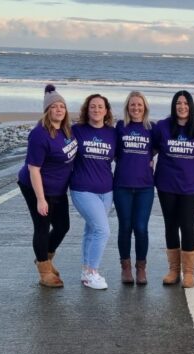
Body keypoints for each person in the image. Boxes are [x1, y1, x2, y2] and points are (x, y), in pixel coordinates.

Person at [17, 84, 77, 288]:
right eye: (54, 106)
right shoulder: (39, 134)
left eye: (62, 106)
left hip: (58, 188)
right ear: (47, 110)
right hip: (36, 186)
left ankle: (46, 258)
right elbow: (34, 169)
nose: (59, 110)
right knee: (42, 227)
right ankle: (44, 271)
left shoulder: (68, 130)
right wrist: (41, 200)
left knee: (63, 226)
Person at [153, 90, 194, 288]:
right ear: (174, 105)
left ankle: (188, 272)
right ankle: (174, 270)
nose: (182, 106)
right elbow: (150, 150)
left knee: (187, 225)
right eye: (178, 103)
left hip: (190, 185)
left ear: (191, 106)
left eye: (185, 103)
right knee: (170, 225)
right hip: (166, 184)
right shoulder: (162, 127)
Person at [70, 94, 117, 290]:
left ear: (106, 111)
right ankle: (92, 272)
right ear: (86, 110)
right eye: (93, 107)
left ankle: (85, 270)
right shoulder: (76, 131)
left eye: (100, 107)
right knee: (102, 230)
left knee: (91, 230)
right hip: (82, 189)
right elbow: (55, 143)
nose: (96, 110)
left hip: (106, 191)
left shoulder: (113, 133)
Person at [113, 91, 155, 285]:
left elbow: (157, 148)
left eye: (139, 105)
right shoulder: (120, 126)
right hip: (122, 185)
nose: (136, 108)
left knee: (141, 228)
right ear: (127, 108)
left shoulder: (151, 128)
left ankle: (141, 268)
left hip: (145, 186)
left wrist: (149, 161)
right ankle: (126, 268)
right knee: (125, 227)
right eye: (132, 105)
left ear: (144, 107)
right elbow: (113, 151)